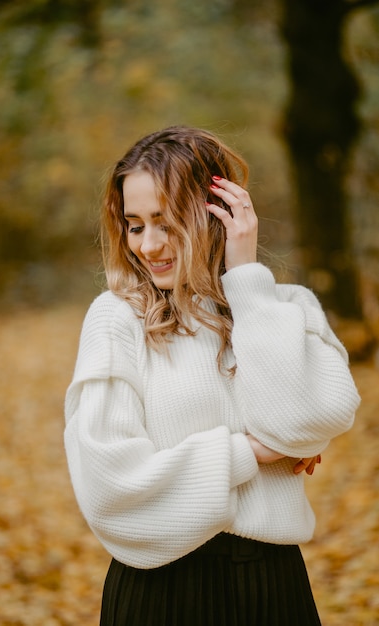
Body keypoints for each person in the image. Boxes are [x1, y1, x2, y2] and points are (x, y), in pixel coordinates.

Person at [64, 126, 360, 626]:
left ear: (217, 214)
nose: (149, 245)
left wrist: (244, 277)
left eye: (167, 222)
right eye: (135, 225)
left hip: (276, 588)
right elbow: (108, 486)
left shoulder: (284, 307)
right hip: (160, 593)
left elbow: (313, 419)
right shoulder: (117, 319)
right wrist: (254, 451)